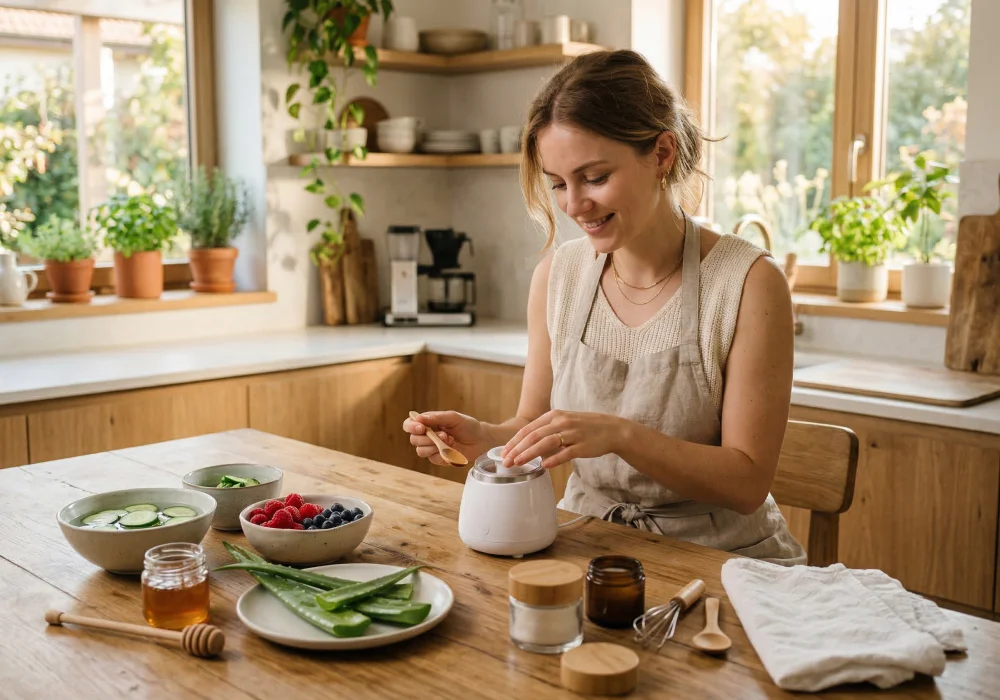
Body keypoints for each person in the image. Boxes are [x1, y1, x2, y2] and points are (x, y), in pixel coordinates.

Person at [403, 49, 805, 565]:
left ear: (662, 153)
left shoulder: (749, 283)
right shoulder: (559, 275)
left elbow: (747, 482)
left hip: (725, 564)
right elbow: (535, 421)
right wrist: (488, 439)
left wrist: (619, 435)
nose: (573, 205)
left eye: (593, 178)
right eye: (557, 184)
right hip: (589, 545)